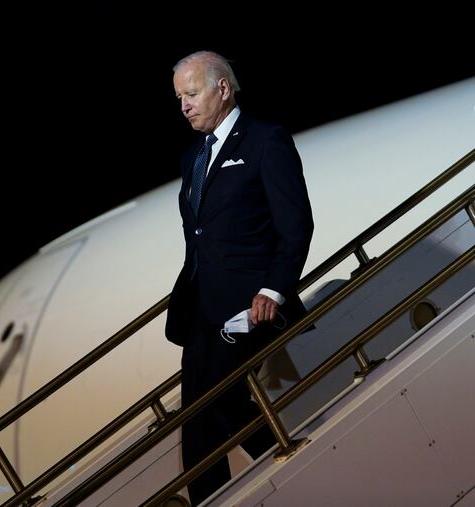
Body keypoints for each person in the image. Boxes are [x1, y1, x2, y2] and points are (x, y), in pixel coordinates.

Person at [165, 51, 314, 505]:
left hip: (248, 306)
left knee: (220, 405)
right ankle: (206, 500)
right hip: (200, 309)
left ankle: (299, 468)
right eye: (179, 98)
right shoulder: (194, 156)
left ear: (223, 89)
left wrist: (273, 288)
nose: (184, 106)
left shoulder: (265, 141)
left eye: (192, 94)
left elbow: (295, 225)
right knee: (195, 423)